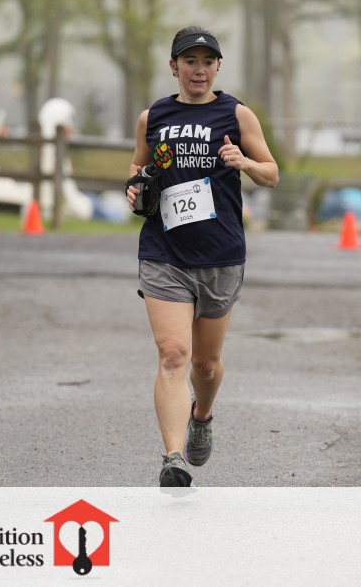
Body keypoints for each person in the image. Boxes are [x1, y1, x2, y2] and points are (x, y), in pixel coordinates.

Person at [126, 25, 279, 487]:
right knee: (174, 355)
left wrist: (244, 163)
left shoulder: (237, 114)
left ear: (218, 67)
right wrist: (134, 189)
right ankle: (173, 458)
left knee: (205, 365)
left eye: (207, 62)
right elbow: (138, 167)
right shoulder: (153, 117)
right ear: (173, 66)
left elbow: (271, 173)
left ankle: (203, 415)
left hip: (220, 254)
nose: (199, 70)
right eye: (190, 61)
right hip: (164, 253)